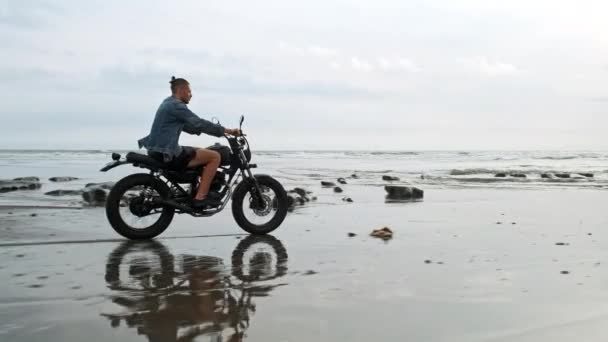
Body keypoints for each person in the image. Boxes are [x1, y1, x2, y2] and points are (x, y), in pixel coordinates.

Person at [138, 76, 241, 208]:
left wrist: (204, 130)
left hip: (157, 149)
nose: (191, 95)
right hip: (166, 152)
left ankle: (195, 187)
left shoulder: (167, 103)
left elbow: (190, 126)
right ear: (181, 90)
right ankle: (200, 198)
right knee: (215, 156)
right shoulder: (176, 105)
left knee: (201, 150)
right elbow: (199, 123)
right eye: (189, 91)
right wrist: (227, 131)